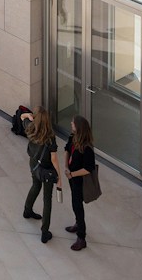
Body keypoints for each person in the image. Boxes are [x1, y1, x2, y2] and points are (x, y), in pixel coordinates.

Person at [23, 106, 61, 243]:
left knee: (35, 186)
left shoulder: (30, 128)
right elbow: (54, 160)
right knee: (47, 200)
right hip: (47, 170)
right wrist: (59, 177)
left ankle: (27, 210)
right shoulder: (50, 137)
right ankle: (45, 232)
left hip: (34, 164)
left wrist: (29, 115)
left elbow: (22, 117)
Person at [64, 114, 97, 251]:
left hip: (79, 180)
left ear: (78, 127)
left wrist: (72, 174)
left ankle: (81, 237)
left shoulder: (87, 148)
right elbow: (67, 150)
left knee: (77, 206)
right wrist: (66, 167)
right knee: (74, 203)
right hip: (71, 177)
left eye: (73, 123)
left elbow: (88, 169)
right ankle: (78, 223)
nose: (71, 125)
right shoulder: (73, 137)